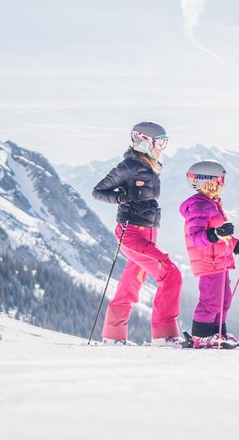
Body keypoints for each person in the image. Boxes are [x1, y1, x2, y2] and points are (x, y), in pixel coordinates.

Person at [91, 121, 185, 347]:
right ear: (144, 142)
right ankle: (164, 335)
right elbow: (98, 191)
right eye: (160, 143)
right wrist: (122, 198)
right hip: (131, 233)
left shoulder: (151, 165)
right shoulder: (128, 166)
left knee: (130, 284)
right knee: (170, 274)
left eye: (164, 143)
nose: (162, 148)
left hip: (149, 232)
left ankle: (113, 336)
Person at [179, 160, 239, 349]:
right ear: (207, 182)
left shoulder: (212, 204)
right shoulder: (198, 206)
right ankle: (201, 335)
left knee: (224, 300)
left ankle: (218, 333)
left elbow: (225, 236)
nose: (222, 185)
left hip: (220, 261)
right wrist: (216, 234)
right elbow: (197, 239)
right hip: (209, 262)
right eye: (219, 181)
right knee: (211, 300)